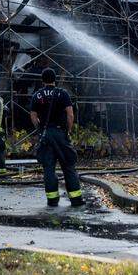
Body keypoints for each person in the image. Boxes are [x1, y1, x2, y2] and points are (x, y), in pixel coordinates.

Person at [30, 67, 83, 208]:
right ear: (55, 79)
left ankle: (52, 200)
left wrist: (40, 130)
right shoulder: (62, 93)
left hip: (46, 135)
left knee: (48, 168)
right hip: (61, 134)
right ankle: (76, 200)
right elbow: (70, 115)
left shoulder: (37, 95)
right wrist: (68, 131)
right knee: (68, 166)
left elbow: (33, 116)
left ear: (42, 80)